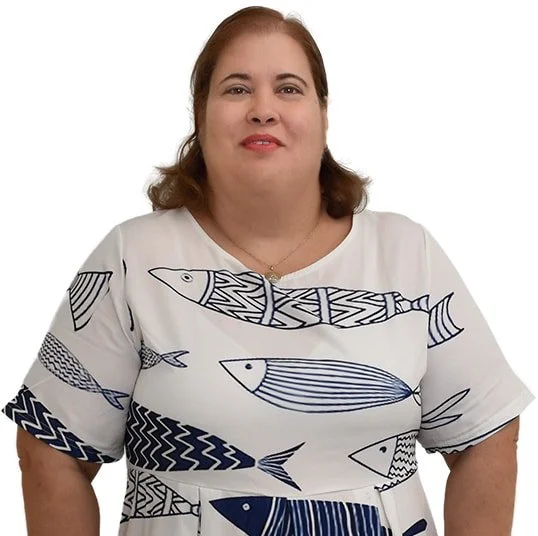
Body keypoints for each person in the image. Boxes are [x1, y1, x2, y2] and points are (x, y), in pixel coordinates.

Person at [2, 6, 533, 536]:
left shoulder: (407, 253)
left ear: (323, 114)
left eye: (288, 88)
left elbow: (486, 431)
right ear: (200, 115)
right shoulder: (133, 258)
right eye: (237, 89)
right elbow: (52, 447)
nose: (263, 110)